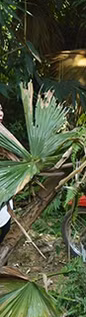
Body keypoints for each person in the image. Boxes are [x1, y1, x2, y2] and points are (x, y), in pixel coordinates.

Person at [0, 103, 11, 244]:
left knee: (6, 225)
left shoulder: (5, 134)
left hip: (5, 185)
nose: (1, 114)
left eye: (1, 110)